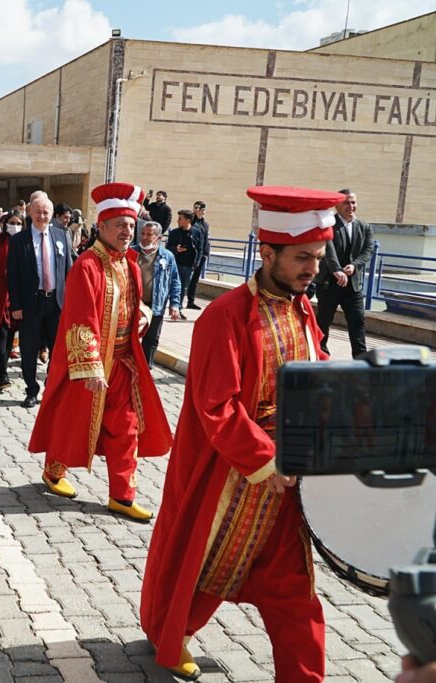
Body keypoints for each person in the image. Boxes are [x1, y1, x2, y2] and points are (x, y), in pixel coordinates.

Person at [141, 185, 344, 682]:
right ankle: (172, 631)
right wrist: (266, 461)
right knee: (207, 567)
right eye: (302, 258)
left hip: (292, 482)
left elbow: (315, 374)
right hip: (234, 478)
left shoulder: (303, 309)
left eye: (318, 258)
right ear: (268, 252)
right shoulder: (225, 316)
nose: (312, 269)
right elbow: (217, 406)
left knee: (294, 591)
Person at [29, 183, 172, 523]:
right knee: (72, 422)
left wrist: (143, 314)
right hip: (91, 365)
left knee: (126, 428)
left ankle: (122, 495)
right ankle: (54, 470)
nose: (127, 231)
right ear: (102, 227)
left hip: (123, 362)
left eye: (131, 225)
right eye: (120, 225)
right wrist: (90, 365)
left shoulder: (130, 264)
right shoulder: (88, 266)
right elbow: (80, 318)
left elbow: (134, 304)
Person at [7, 196, 74, 408]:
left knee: (57, 350)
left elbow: (69, 271)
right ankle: (31, 390)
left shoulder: (62, 235)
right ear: (30, 213)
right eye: (38, 212)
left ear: (52, 214)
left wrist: (70, 302)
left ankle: (51, 387)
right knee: (29, 349)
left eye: (46, 212)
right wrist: (16, 306)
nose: (42, 216)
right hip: (30, 304)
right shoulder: (19, 240)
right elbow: (13, 276)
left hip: (56, 303)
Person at [315, 188, 375, 357]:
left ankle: (361, 360)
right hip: (329, 283)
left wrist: (355, 266)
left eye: (353, 202)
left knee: (358, 322)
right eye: (347, 202)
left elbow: (368, 250)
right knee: (323, 323)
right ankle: (321, 357)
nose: (351, 206)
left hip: (353, 285)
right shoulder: (329, 224)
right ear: (337, 205)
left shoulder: (364, 227)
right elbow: (328, 247)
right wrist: (337, 270)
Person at [131, 221, 181, 365]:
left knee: (151, 339)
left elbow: (175, 281)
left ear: (158, 238)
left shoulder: (167, 257)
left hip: (156, 304)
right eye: (143, 234)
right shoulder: (131, 253)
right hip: (134, 304)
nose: (145, 238)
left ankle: (146, 369)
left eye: (149, 235)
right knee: (130, 337)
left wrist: (175, 304)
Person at [0, 209, 23, 391]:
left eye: (19, 224)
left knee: (10, 336)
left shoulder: (25, 242)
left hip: (17, 297)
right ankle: (2, 375)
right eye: (13, 223)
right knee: (1, 335)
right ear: (4, 223)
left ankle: (0, 367)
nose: (15, 227)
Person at [165, 209, 202, 321]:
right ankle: (171, 307)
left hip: (189, 265)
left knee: (183, 288)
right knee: (173, 287)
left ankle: (178, 308)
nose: (178, 221)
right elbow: (168, 248)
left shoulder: (196, 232)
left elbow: (200, 248)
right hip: (175, 264)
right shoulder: (175, 233)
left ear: (188, 220)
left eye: (180, 219)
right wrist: (175, 249)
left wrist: (197, 263)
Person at [187, 201, 210, 309]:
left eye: (202, 209)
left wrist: (206, 253)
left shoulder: (205, 224)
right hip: (191, 254)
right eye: (196, 208)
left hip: (201, 255)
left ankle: (190, 301)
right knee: (185, 278)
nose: (201, 211)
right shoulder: (191, 221)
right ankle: (177, 302)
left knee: (195, 279)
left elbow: (206, 240)